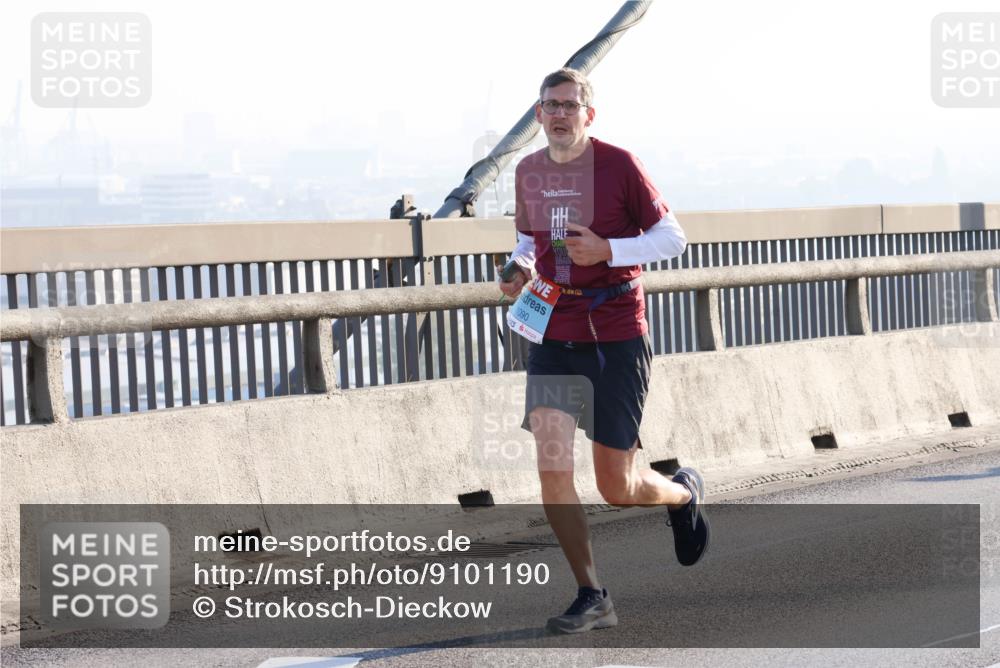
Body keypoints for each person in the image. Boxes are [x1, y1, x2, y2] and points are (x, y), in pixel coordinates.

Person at [497, 67, 710, 634]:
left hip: (614, 334)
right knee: (552, 470)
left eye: (570, 104)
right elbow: (529, 239)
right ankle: (593, 593)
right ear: (538, 115)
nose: (559, 114)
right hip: (553, 332)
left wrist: (610, 249)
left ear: (589, 114)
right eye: (550, 105)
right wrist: (518, 267)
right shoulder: (529, 171)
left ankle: (682, 494)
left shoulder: (619, 165)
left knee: (617, 487)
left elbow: (673, 238)